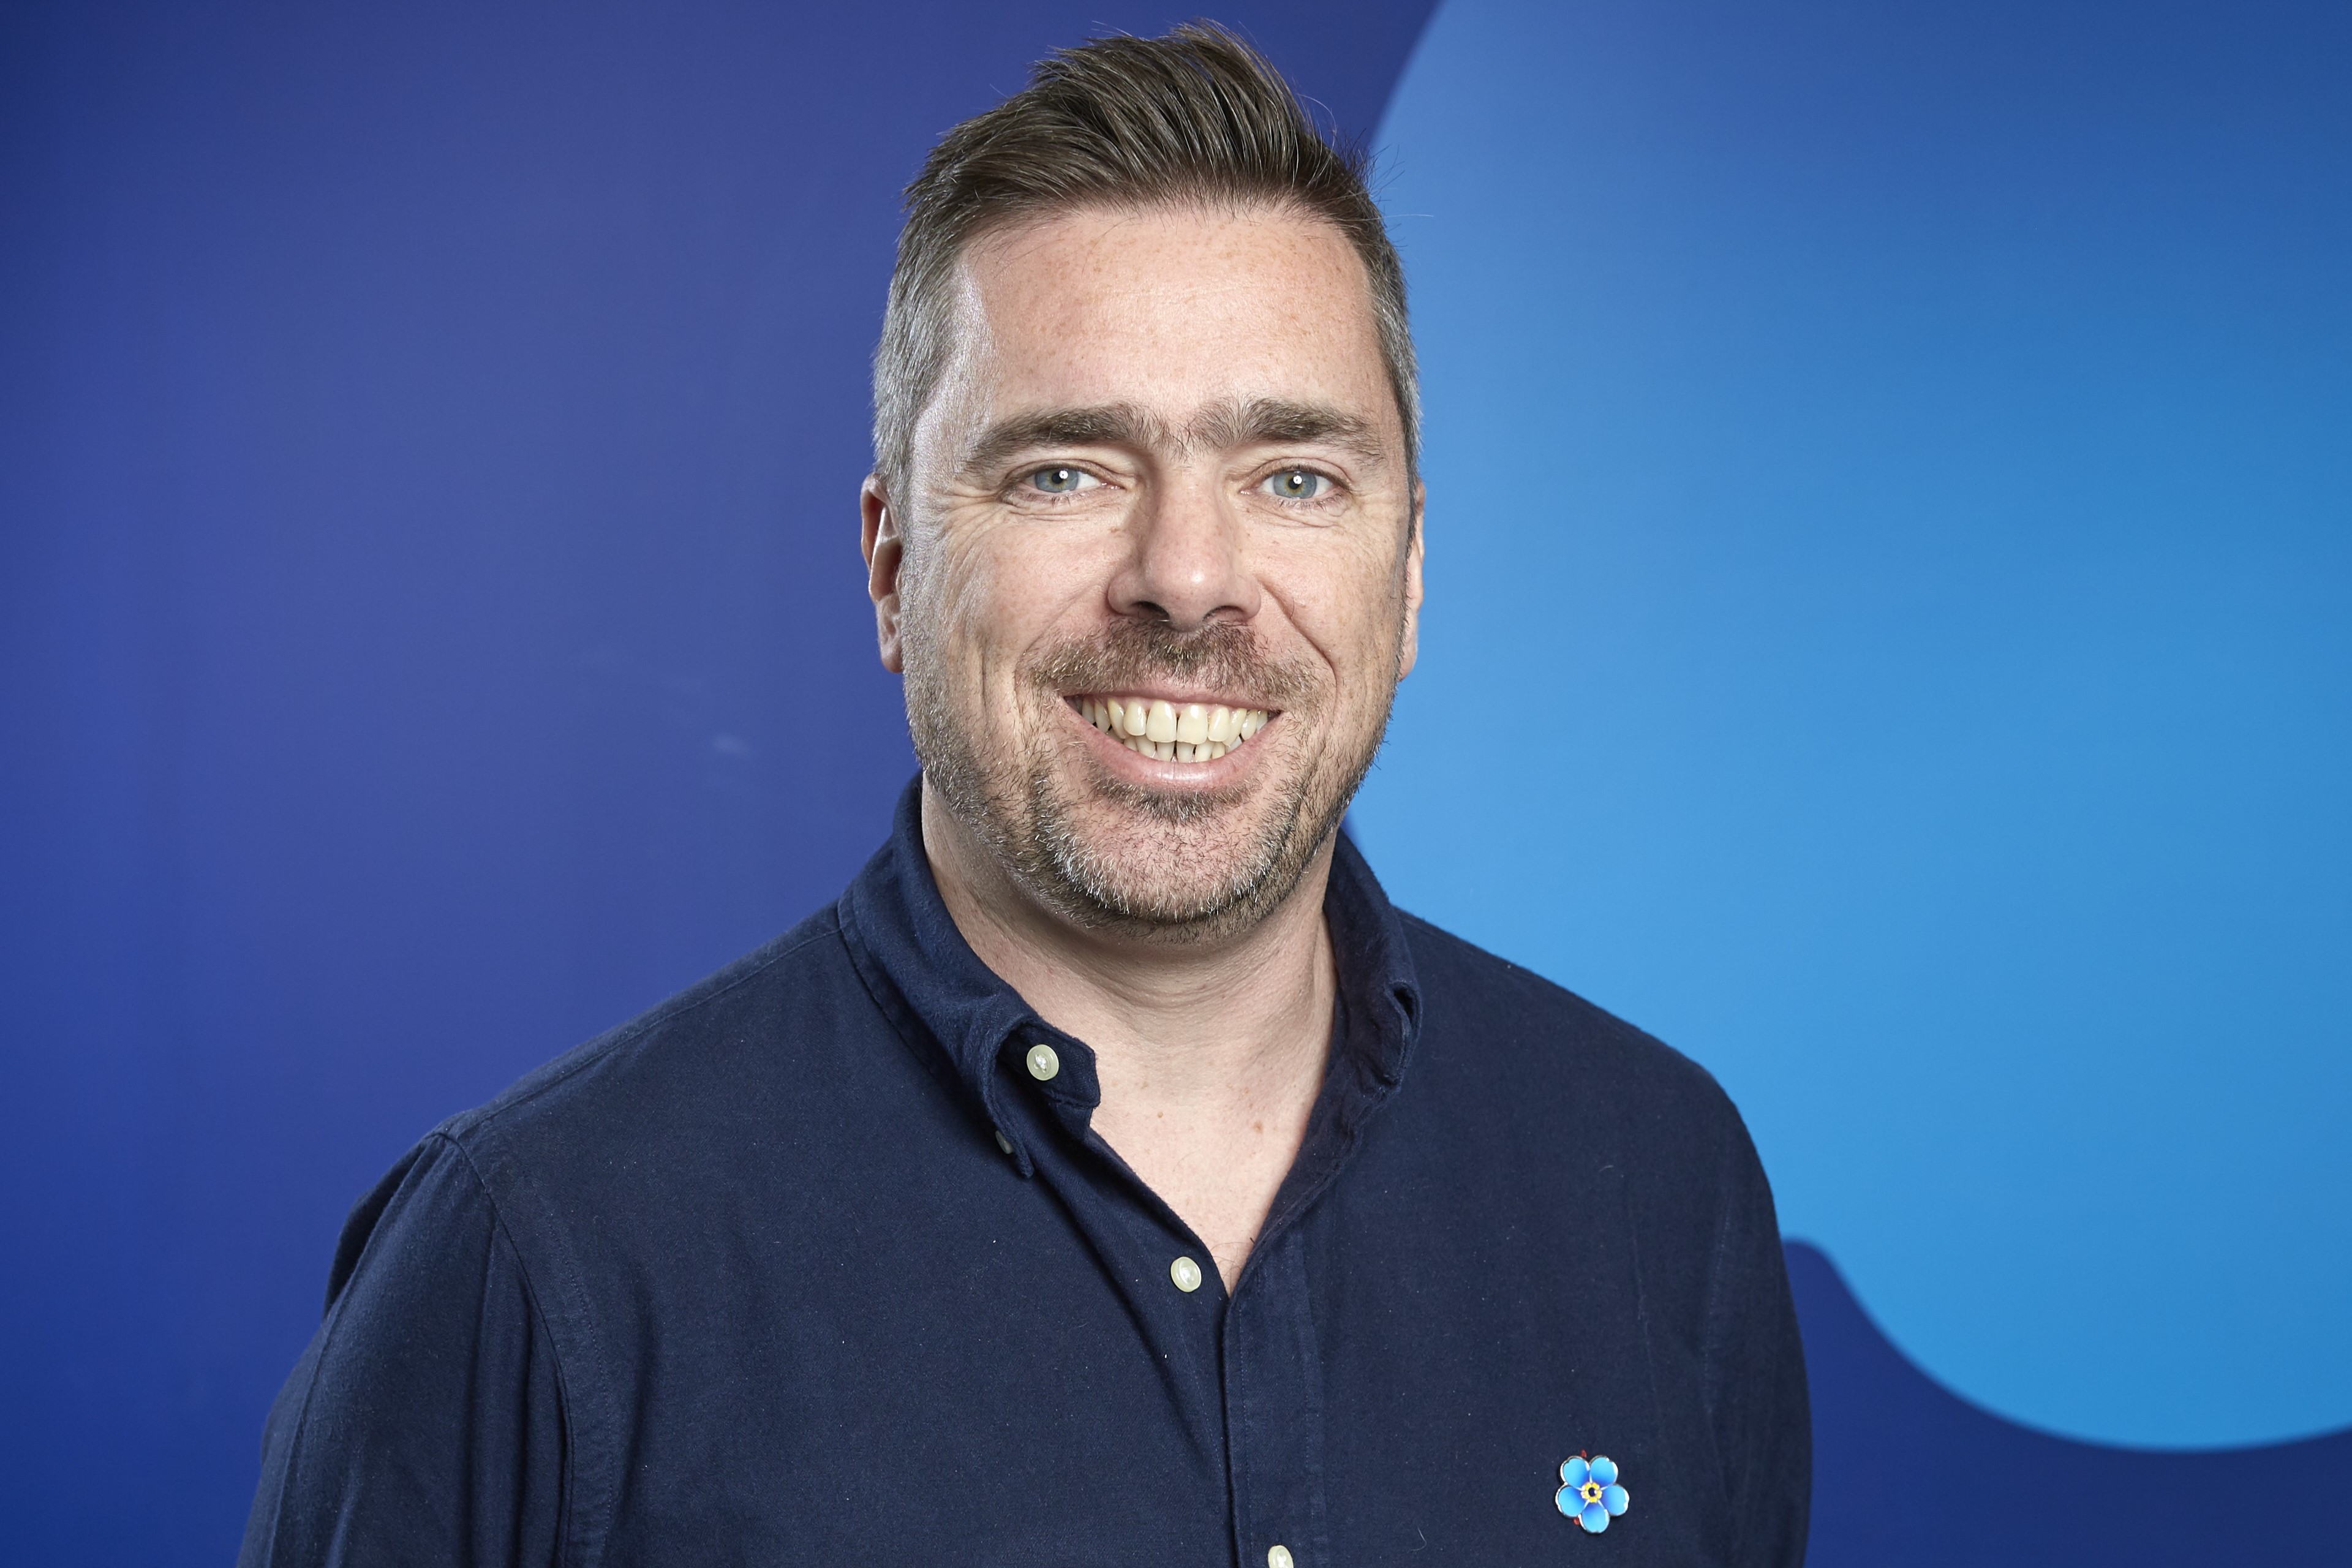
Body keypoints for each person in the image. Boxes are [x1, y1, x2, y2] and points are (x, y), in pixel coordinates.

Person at [239, 24, 1809, 1567]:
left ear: (1407, 576)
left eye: (1294, 477)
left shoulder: (1656, 1182)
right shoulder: (535, 1264)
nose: (1189, 579)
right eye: (1067, 470)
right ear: (894, 567)